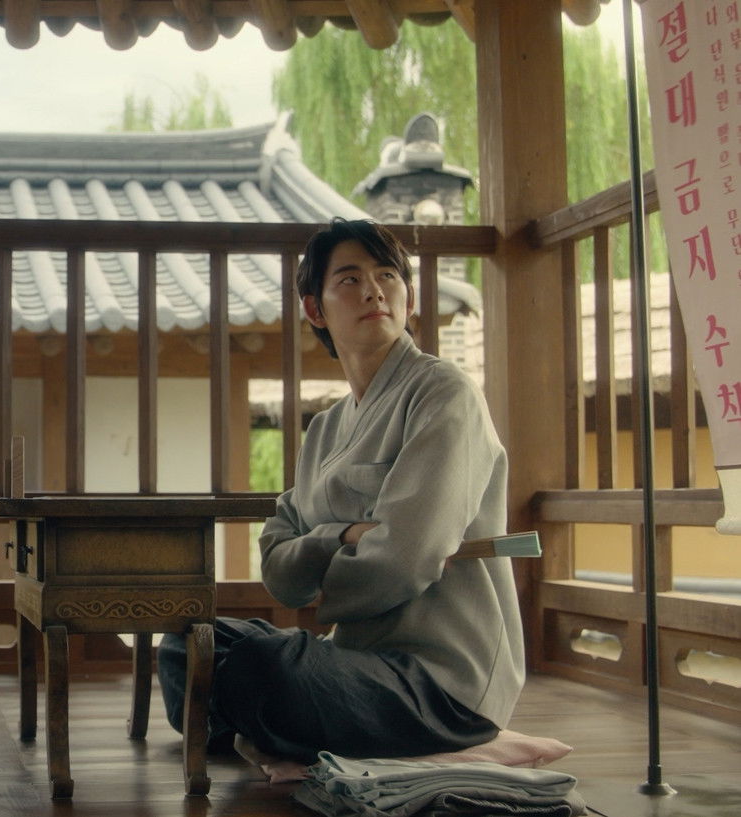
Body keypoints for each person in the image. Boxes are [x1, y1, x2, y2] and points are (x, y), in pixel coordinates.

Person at [158, 219, 524, 764]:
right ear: (315, 309)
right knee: (188, 641)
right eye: (350, 279)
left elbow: (404, 559)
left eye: (387, 276)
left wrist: (320, 572)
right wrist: (342, 536)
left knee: (259, 669)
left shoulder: (444, 392)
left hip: (439, 684)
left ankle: (248, 723)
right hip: (350, 658)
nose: (374, 290)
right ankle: (262, 724)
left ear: (408, 297)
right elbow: (278, 568)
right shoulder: (325, 429)